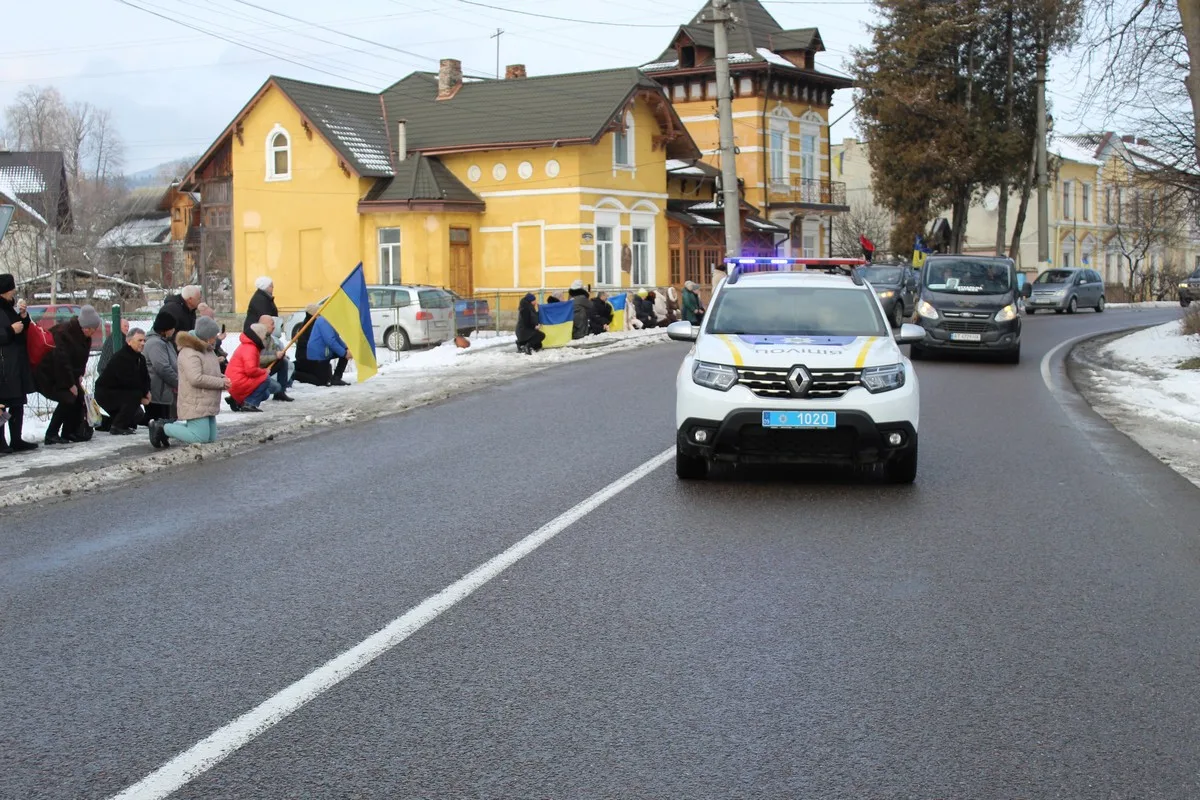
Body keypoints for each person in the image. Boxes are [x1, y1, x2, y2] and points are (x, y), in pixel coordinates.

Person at [149, 316, 230, 448]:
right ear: (206, 336)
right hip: (195, 400)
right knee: (199, 437)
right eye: (213, 335)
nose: (215, 338)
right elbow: (195, 378)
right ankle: (163, 427)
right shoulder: (190, 352)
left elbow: (209, 372)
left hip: (206, 400)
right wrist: (220, 382)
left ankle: (170, 426)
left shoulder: (207, 350)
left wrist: (222, 379)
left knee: (210, 438)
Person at [36, 304, 101, 445]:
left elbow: (81, 360)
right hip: (49, 374)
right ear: (86, 327)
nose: (94, 332)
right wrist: (70, 383)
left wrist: (79, 376)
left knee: (78, 399)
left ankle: (69, 432)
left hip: (67, 375)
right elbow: (62, 361)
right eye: (93, 329)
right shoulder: (63, 333)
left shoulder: (84, 337)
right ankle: (51, 434)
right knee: (68, 398)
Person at [0, 274, 38, 454]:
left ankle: (16, 438)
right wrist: (10, 330)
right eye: (11, 288)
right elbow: (8, 332)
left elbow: (21, 330)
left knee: (17, 400)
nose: (14, 291)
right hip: (4, 363)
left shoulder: (8, 307)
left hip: (15, 361)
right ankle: (1, 442)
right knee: (2, 402)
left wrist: (23, 317)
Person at [94, 327, 151, 436]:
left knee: (132, 422)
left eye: (144, 340)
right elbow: (128, 381)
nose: (143, 343)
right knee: (135, 395)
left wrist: (147, 391)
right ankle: (117, 427)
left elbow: (145, 378)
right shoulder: (122, 357)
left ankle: (105, 423)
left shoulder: (140, 358)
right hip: (106, 393)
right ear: (129, 342)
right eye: (139, 340)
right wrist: (142, 396)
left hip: (120, 392)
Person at [297, 309, 351, 386]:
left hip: (326, 352)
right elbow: (330, 340)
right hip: (318, 354)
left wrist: (346, 349)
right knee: (321, 382)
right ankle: (295, 375)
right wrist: (344, 353)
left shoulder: (330, 321)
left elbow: (336, 338)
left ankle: (336, 378)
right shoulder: (323, 321)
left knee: (345, 354)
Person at [143, 310, 179, 425]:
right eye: (172, 328)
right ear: (165, 329)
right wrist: (178, 382)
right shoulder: (155, 343)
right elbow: (163, 368)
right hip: (158, 394)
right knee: (159, 424)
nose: (174, 330)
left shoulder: (165, 342)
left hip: (164, 393)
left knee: (164, 423)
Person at [226, 322, 271, 412]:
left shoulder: (246, 345)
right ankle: (250, 403)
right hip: (237, 382)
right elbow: (250, 371)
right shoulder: (250, 348)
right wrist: (264, 372)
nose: (266, 338)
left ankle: (236, 400)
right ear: (259, 335)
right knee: (266, 378)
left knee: (265, 394)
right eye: (265, 336)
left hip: (233, 381)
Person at [256, 314, 294, 401]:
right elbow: (257, 359)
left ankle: (280, 393)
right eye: (272, 324)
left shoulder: (270, 339)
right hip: (254, 371)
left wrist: (280, 354)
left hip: (265, 368)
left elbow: (274, 352)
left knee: (283, 362)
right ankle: (248, 399)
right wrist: (274, 356)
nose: (274, 327)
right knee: (275, 387)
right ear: (263, 325)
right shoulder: (256, 339)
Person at [197, 303, 228, 374]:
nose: (213, 320)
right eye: (211, 318)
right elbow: (207, 349)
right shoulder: (199, 334)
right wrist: (218, 340)